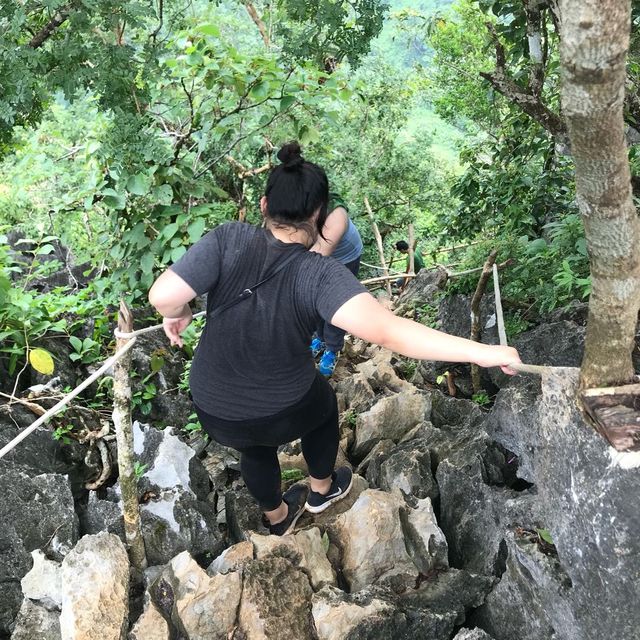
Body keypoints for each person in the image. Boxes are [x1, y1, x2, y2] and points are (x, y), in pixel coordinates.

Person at [148, 141, 521, 537]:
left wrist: (179, 313)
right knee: (323, 408)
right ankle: (321, 491)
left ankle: (276, 517)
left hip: (213, 406)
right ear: (321, 216)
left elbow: (162, 296)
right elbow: (391, 332)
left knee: (253, 448)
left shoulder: (227, 238)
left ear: (263, 206)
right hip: (280, 407)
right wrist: (482, 352)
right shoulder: (320, 275)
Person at [309, 192, 363, 377]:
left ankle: (332, 348)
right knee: (315, 300)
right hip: (315, 257)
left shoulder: (333, 207)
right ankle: (320, 338)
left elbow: (316, 252)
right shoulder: (288, 210)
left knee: (336, 304)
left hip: (346, 257)